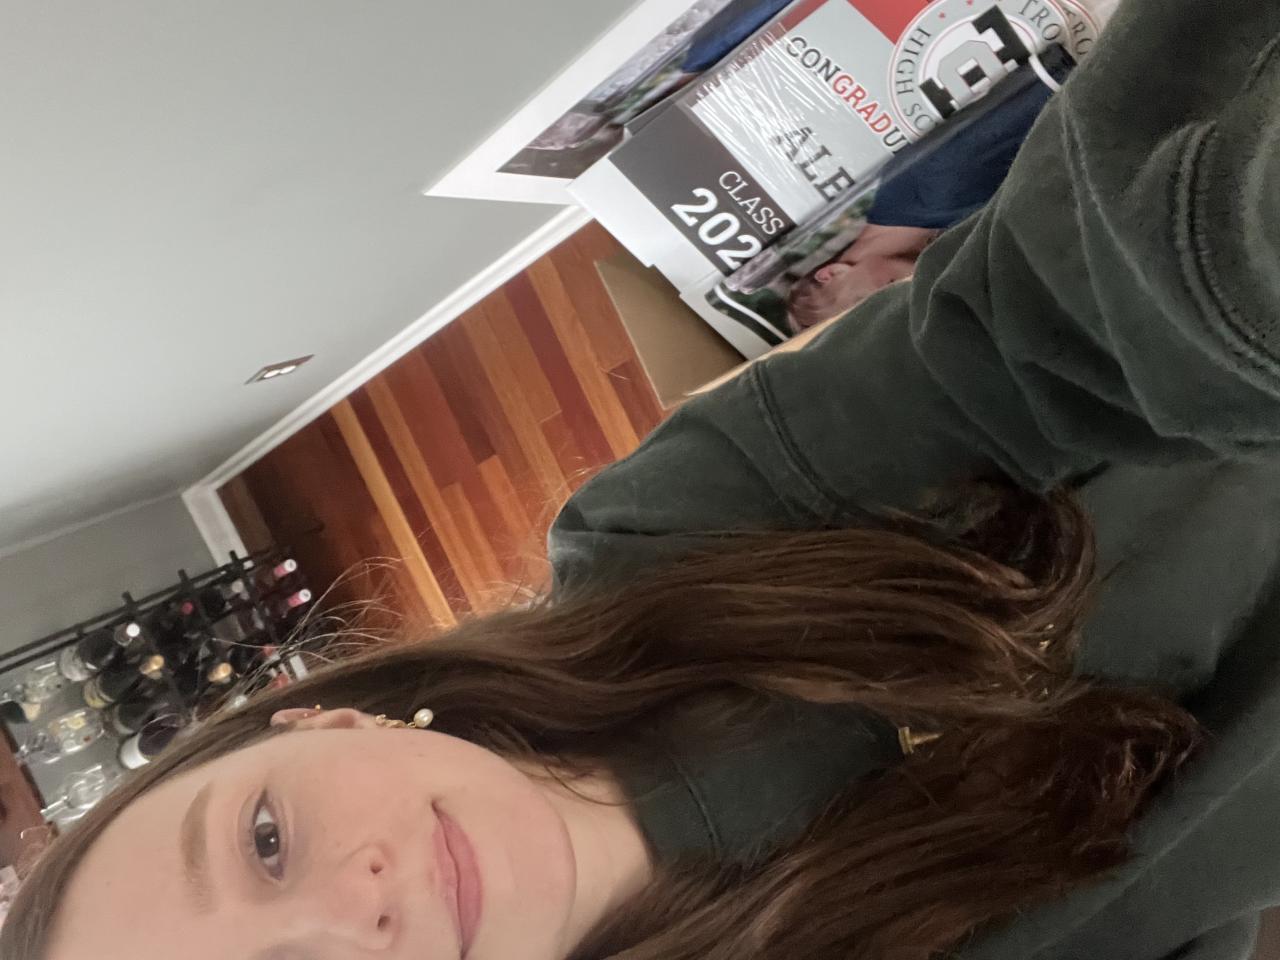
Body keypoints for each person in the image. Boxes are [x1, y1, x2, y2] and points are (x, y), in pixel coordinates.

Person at [8, 0, 1280, 958]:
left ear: (321, 720)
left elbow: (1042, 318)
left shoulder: (665, 529)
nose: (356, 906)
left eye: (265, 841)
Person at [786, 45, 1072, 332]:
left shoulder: (937, 178)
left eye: (864, 302)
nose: (893, 304)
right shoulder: (950, 238)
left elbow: (1063, 71)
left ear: (832, 273)